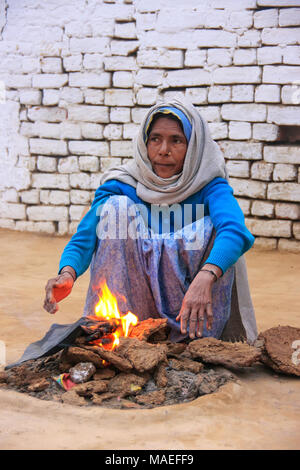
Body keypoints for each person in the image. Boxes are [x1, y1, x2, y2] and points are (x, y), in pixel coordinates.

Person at [43, 98, 257, 344]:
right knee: (115, 208)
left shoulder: (208, 186)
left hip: (191, 314)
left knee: (215, 229)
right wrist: (67, 274)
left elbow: (236, 231)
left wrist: (206, 276)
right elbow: (85, 237)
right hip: (131, 314)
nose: (163, 149)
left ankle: (187, 342)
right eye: (155, 138)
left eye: (176, 140)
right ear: (144, 143)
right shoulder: (122, 185)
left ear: (194, 146)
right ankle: (117, 331)